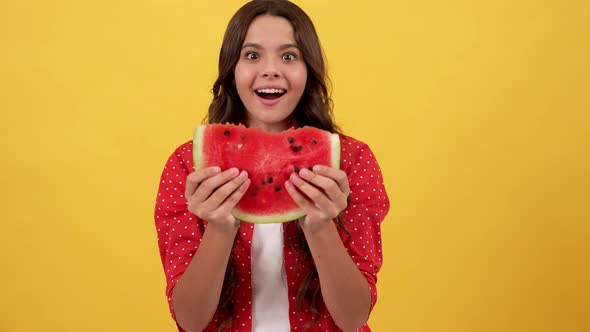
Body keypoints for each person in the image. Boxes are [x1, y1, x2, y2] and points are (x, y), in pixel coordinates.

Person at [154, 1, 390, 331]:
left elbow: (353, 318)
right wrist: (220, 227)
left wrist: (321, 225)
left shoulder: (350, 161)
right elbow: (190, 320)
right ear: (231, 71)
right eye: (252, 55)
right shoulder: (187, 166)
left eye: (289, 56)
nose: (270, 69)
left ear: (309, 70)